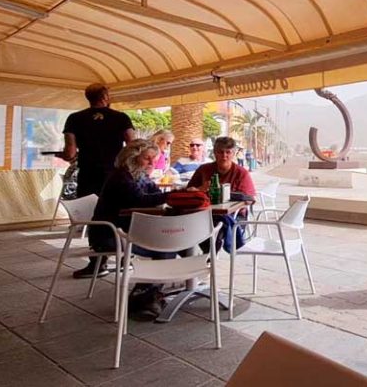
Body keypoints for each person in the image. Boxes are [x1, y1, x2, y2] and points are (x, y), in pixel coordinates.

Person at [87, 139, 170, 316]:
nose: (152, 163)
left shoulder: (139, 175)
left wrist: (173, 196)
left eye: (153, 159)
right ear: (132, 157)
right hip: (109, 235)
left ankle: (149, 291)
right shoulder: (121, 177)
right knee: (165, 245)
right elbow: (140, 200)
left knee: (170, 240)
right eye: (147, 158)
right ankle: (146, 295)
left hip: (125, 230)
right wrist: (175, 196)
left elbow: (154, 194)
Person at [62, 83, 134, 279]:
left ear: (88, 97)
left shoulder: (75, 118)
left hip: (89, 175)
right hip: (115, 175)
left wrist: (65, 156)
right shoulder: (121, 118)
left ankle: (97, 262)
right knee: (120, 214)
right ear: (106, 96)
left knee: (94, 216)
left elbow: (70, 153)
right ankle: (123, 258)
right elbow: (133, 147)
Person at [188, 137, 256, 197]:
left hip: (233, 211)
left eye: (228, 152)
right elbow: (187, 191)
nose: (224, 156)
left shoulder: (241, 173)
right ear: (214, 153)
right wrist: (200, 189)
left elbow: (249, 198)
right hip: (205, 209)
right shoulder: (203, 170)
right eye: (220, 152)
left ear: (234, 154)